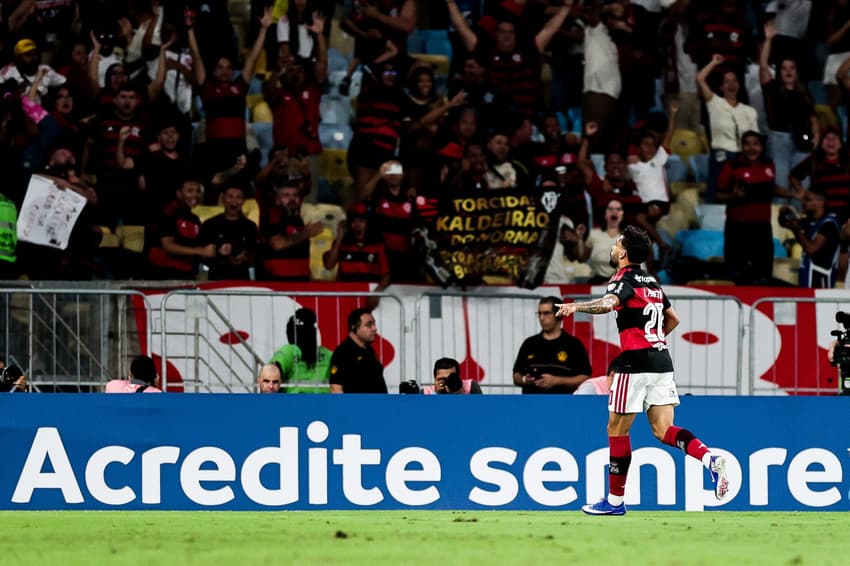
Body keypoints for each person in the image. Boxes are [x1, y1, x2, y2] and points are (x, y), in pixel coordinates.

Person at [555, 226, 729, 515]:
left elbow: (608, 304)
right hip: (661, 361)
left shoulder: (621, 279)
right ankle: (709, 458)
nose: (613, 248)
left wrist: (577, 307)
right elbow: (673, 318)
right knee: (664, 430)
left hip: (633, 363)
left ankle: (614, 501)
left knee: (616, 429)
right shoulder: (652, 282)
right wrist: (653, 341)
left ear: (623, 253)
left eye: (616, 244)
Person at [512, 296, 592, 394]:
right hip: (532, 401)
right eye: (539, 314)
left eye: (546, 313)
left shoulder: (573, 345)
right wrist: (525, 380)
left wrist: (557, 381)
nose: (541, 318)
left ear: (559, 314)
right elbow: (516, 376)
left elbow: (585, 378)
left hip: (562, 401)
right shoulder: (529, 344)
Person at [779, 188, 841, 288]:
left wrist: (796, 229)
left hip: (820, 280)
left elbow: (811, 249)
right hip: (806, 276)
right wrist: (785, 214)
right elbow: (784, 223)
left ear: (820, 202)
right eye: (803, 199)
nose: (803, 203)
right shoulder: (808, 221)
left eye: (807, 200)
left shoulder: (829, 224)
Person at [269, 308, 333, 393]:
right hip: (292, 401)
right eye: (304, 333)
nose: (308, 338)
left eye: (310, 331)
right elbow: (270, 373)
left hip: (324, 401)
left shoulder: (328, 355)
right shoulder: (289, 351)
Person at [329, 308, 388, 394]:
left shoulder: (369, 350)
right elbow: (335, 389)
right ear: (353, 327)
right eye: (369, 325)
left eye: (374, 324)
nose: (374, 328)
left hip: (378, 402)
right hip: (357, 402)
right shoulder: (343, 353)